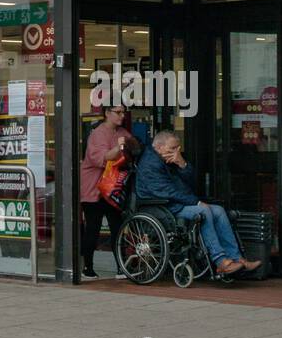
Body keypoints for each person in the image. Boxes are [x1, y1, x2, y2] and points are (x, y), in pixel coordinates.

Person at [135, 130, 261, 275]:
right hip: (162, 206)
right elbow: (168, 192)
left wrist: (182, 164)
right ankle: (220, 261)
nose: (177, 152)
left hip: (177, 203)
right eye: (173, 148)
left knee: (218, 210)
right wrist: (197, 202)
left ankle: (237, 258)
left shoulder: (169, 159)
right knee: (203, 211)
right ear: (159, 147)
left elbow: (193, 183)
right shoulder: (150, 164)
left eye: (178, 148)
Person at [79, 105, 135, 280]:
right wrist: (120, 148)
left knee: (117, 227)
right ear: (107, 113)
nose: (122, 115)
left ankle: (121, 267)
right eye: (118, 112)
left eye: (123, 112)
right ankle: (88, 268)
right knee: (93, 229)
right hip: (94, 188)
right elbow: (102, 158)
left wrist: (130, 146)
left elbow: (133, 148)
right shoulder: (97, 134)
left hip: (113, 189)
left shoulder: (123, 132)